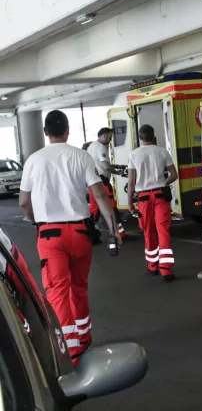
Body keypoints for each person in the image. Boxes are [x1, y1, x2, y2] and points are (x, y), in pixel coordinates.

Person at [19, 110, 120, 365]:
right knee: (79, 289)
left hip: (50, 236)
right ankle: (84, 340)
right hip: (79, 233)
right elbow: (99, 195)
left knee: (57, 292)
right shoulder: (81, 156)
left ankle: (68, 351)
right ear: (68, 130)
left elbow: (23, 202)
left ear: (44, 132)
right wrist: (113, 227)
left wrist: (35, 219)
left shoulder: (33, 160)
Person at [128, 124, 178, 281]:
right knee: (163, 230)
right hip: (160, 196)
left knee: (148, 232)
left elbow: (131, 182)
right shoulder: (162, 151)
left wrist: (130, 203)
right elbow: (174, 174)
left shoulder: (134, 155)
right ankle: (166, 270)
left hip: (143, 198)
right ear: (153, 136)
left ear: (140, 137)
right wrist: (164, 182)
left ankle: (152, 266)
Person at [87, 127, 126, 241]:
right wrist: (118, 172)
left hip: (93, 181)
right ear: (104, 136)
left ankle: (91, 234)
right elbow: (105, 166)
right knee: (111, 206)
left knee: (95, 210)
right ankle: (118, 233)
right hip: (102, 181)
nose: (110, 139)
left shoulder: (92, 146)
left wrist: (117, 166)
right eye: (109, 137)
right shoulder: (100, 147)